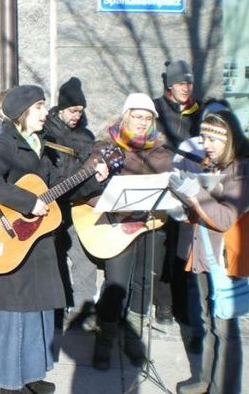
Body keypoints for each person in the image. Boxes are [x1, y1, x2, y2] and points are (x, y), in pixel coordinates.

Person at [0, 85, 106, 394]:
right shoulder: (5, 144)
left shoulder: (40, 144)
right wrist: (26, 202)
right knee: (18, 315)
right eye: (38, 107)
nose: (45, 112)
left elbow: (58, 187)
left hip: (39, 243)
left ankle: (31, 376)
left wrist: (90, 178)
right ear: (22, 113)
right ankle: (11, 385)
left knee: (41, 313)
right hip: (15, 241)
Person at [170, 110, 249, 394]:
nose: (207, 144)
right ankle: (206, 380)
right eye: (205, 138)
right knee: (207, 321)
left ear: (232, 138)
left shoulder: (245, 170)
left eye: (215, 138)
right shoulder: (214, 165)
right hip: (205, 254)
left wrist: (194, 191)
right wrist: (184, 200)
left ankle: (225, 387)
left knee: (226, 328)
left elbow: (225, 218)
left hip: (227, 259)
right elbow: (204, 210)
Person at [92, 93, 173, 371]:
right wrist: (102, 188)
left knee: (144, 284)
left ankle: (133, 339)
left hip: (151, 228)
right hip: (118, 227)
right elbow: (88, 190)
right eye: (137, 116)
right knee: (116, 286)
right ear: (126, 116)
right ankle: (104, 340)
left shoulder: (161, 153)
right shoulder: (105, 147)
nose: (141, 122)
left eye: (147, 118)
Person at [42, 77, 106, 331]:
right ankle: (56, 310)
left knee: (84, 261)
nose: (77, 116)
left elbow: (86, 170)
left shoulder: (86, 136)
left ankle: (83, 312)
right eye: (72, 110)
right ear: (60, 108)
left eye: (80, 111)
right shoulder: (46, 131)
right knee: (54, 259)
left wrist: (98, 174)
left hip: (78, 204)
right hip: (51, 205)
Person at [150, 59, 204, 326]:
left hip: (189, 188)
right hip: (162, 187)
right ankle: (163, 304)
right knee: (161, 248)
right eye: (181, 82)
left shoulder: (200, 111)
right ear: (170, 84)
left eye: (189, 82)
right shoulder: (156, 109)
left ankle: (182, 306)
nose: (187, 87)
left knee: (183, 249)